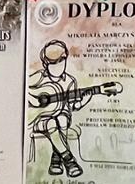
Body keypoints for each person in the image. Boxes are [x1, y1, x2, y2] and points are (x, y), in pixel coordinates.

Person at [27, 40, 118, 178]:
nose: (58, 66)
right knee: (51, 122)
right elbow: (22, 88)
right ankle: (69, 161)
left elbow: (74, 106)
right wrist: (33, 100)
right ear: (45, 64)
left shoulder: (70, 81)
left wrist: (88, 96)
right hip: (39, 118)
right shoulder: (38, 77)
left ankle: (56, 159)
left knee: (61, 119)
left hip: (62, 115)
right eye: (53, 63)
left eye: (61, 61)